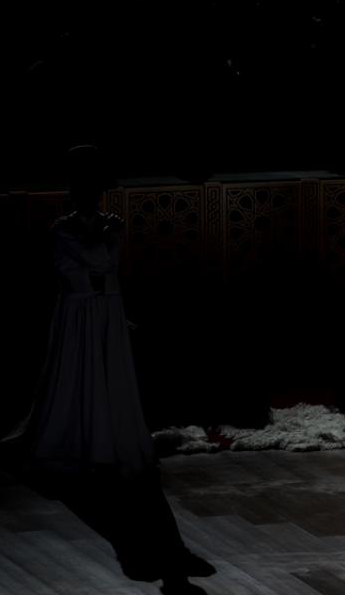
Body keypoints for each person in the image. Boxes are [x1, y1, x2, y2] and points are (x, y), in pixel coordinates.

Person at [22, 144, 213, 593]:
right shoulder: (64, 230)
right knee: (77, 376)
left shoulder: (110, 226)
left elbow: (103, 261)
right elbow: (91, 261)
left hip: (105, 309)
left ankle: (107, 436)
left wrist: (99, 252)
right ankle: (84, 439)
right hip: (81, 311)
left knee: (110, 377)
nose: (92, 197)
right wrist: (98, 251)